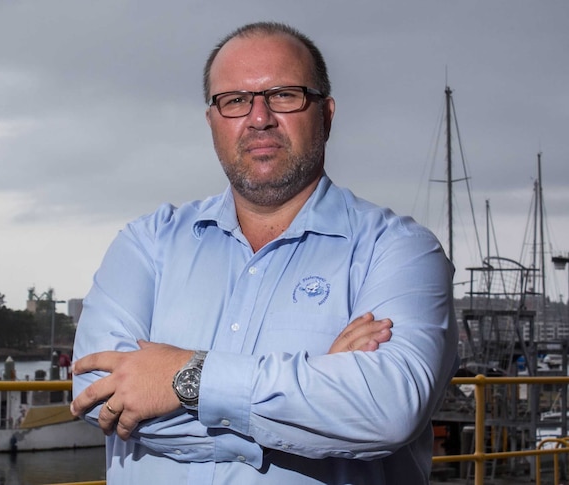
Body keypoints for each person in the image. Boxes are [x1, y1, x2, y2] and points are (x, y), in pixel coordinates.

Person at [70, 21, 458, 484]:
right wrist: (318, 389)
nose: (259, 118)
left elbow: (386, 412)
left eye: (284, 95)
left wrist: (184, 377)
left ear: (327, 114)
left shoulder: (400, 250)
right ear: (212, 120)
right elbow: (96, 394)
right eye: (234, 100)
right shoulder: (146, 243)